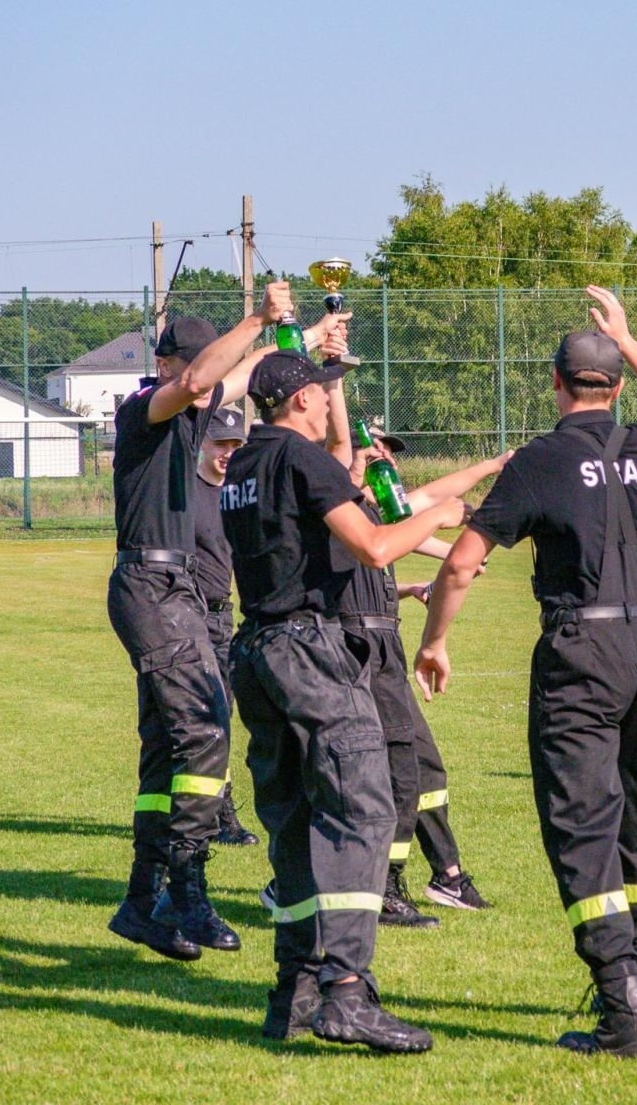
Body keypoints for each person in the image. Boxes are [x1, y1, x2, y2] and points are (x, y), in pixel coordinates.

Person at [414, 285, 637, 1059]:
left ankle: (621, 1012)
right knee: (631, 807)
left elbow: (462, 563)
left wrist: (435, 641)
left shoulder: (540, 460)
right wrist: (630, 339)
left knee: (581, 826)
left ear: (555, 382)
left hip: (582, 652)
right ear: (618, 386)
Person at [222, 348, 465, 1052]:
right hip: (309, 652)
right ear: (301, 400)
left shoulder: (243, 464)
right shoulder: (302, 459)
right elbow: (375, 547)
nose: (331, 401)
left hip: (257, 650)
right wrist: (444, 513)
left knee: (295, 822)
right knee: (362, 809)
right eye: (324, 391)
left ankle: (293, 994)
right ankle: (347, 993)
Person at [105, 284, 329, 962]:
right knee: (206, 731)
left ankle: (141, 901)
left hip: (176, 589)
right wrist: (258, 317)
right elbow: (203, 380)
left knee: (166, 748)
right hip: (151, 584)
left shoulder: (196, 416)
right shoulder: (145, 408)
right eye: (197, 363)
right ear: (166, 365)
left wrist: (306, 341)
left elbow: (237, 375)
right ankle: (186, 892)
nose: (210, 377)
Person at [324, 412, 511, 928]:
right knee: (395, 769)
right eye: (376, 449)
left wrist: (493, 466)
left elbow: (426, 503)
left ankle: (445, 873)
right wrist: (454, 543)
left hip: (384, 642)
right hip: (357, 648)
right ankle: (381, 885)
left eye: (389, 450)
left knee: (423, 766)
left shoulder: (377, 509)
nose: (386, 458)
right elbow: (428, 506)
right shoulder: (339, 504)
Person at [193, 405, 260, 846]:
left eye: (236, 445)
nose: (228, 453)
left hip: (224, 617)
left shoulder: (240, 495)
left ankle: (214, 812)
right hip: (187, 616)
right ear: (203, 442)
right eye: (221, 443)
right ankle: (218, 815)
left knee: (222, 715)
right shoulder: (184, 492)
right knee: (204, 716)